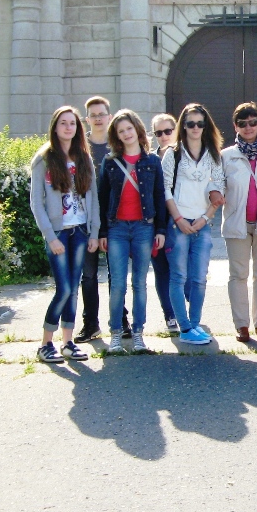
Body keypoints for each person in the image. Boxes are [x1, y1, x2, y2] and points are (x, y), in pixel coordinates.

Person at [29, 106, 101, 363]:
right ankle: (45, 344)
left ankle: (68, 343)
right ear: (55, 127)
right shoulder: (44, 159)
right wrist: (50, 236)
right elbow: (36, 203)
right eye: (63, 123)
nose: (68, 127)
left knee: (73, 289)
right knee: (64, 288)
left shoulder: (84, 158)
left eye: (72, 123)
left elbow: (93, 198)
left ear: (78, 128)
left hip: (80, 231)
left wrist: (94, 232)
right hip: (58, 233)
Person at [98, 109, 167, 355]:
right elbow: (102, 198)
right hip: (116, 228)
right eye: (121, 131)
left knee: (139, 282)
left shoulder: (152, 162)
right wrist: (102, 232)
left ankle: (138, 335)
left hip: (143, 227)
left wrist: (160, 229)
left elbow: (159, 196)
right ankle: (116, 334)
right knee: (117, 283)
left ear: (137, 130)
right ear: (116, 136)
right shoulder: (110, 162)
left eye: (129, 128)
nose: (126, 134)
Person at [162, 103, 225, 347]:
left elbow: (219, 186)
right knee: (179, 277)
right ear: (184, 126)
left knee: (199, 278)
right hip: (178, 223)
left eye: (200, 123)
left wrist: (206, 217)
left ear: (206, 125)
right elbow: (165, 188)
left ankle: (195, 324)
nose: (196, 128)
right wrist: (178, 219)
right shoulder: (173, 153)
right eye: (191, 124)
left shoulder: (213, 154)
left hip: (202, 223)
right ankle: (185, 327)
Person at [221, 102, 257, 343]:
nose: (248, 127)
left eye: (253, 122)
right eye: (242, 123)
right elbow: (217, 186)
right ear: (235, 126)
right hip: (237, 223)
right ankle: (241, 325)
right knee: (238, 275)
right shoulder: (226, 155)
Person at [76, 95, 126, 342]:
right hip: (85, 221)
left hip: (114, 219)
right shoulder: (78, 148)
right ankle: (90, 324)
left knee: (116, 274)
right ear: (87, 119)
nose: (98, 119)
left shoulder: (118, 147)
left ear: (109, 117)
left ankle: (121, 321)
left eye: (101, 114)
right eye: (93, 115)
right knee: (88, 275)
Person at [149, 113, 180, 334]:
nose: (163, 136)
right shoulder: (150, 160)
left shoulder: (184, 156)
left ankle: (185, 310)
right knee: (161, 270)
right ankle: (169, 315)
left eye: (168, 131)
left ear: (176, 130)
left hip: (181, 220)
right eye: (158, 133)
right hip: (156, 222)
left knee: (184, 270)